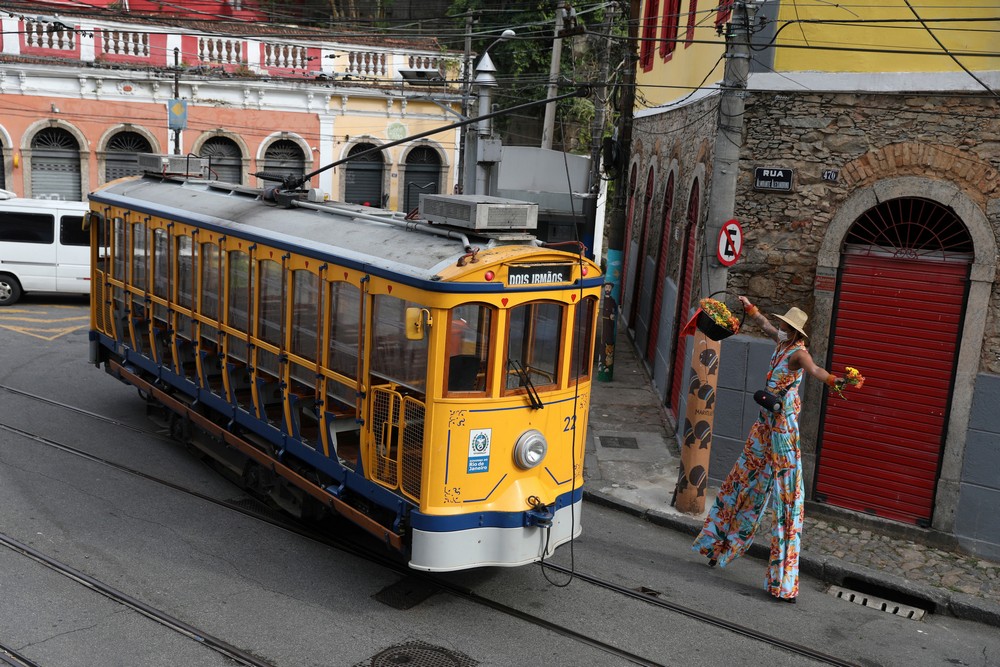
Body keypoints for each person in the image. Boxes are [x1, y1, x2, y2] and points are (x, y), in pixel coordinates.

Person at [691, 296, 845, 603]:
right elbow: (763, 325)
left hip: (783, 431)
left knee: (787, 499)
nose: (782, 328)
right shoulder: (781, 342)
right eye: (783, 324)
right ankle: (718, 545)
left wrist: (836, 380)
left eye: (787, 326)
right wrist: (749, 308)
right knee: (740, 481)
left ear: (797, 332)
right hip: (764, 424)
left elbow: (815, 370)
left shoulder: (799, 354)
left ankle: (783, 581)